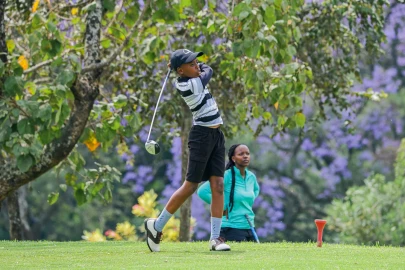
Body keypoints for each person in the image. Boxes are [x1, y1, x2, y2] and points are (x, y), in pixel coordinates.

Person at [144, 49, 230, 252]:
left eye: (196, 62)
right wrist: (199, 68)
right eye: (192, 64)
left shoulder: (189, 76)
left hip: (217, 135)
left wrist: (187, 66)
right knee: (190, 186)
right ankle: (156, 226)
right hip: (201, 137)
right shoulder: (188, 84)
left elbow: (202, 69)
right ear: (181, 71)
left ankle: (215, 239)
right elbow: (208, 71)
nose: (197, 66)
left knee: (218, 185)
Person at [197, 144, 260, 242]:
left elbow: (256, 190)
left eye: (247, 153)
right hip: (230, 227)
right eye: (241, 154)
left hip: (250, 226)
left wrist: (245, 202)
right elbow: (202, 191)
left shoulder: (251, 176)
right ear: (233, 158)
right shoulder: (226, 175)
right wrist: (222, 206)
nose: (245, 156)